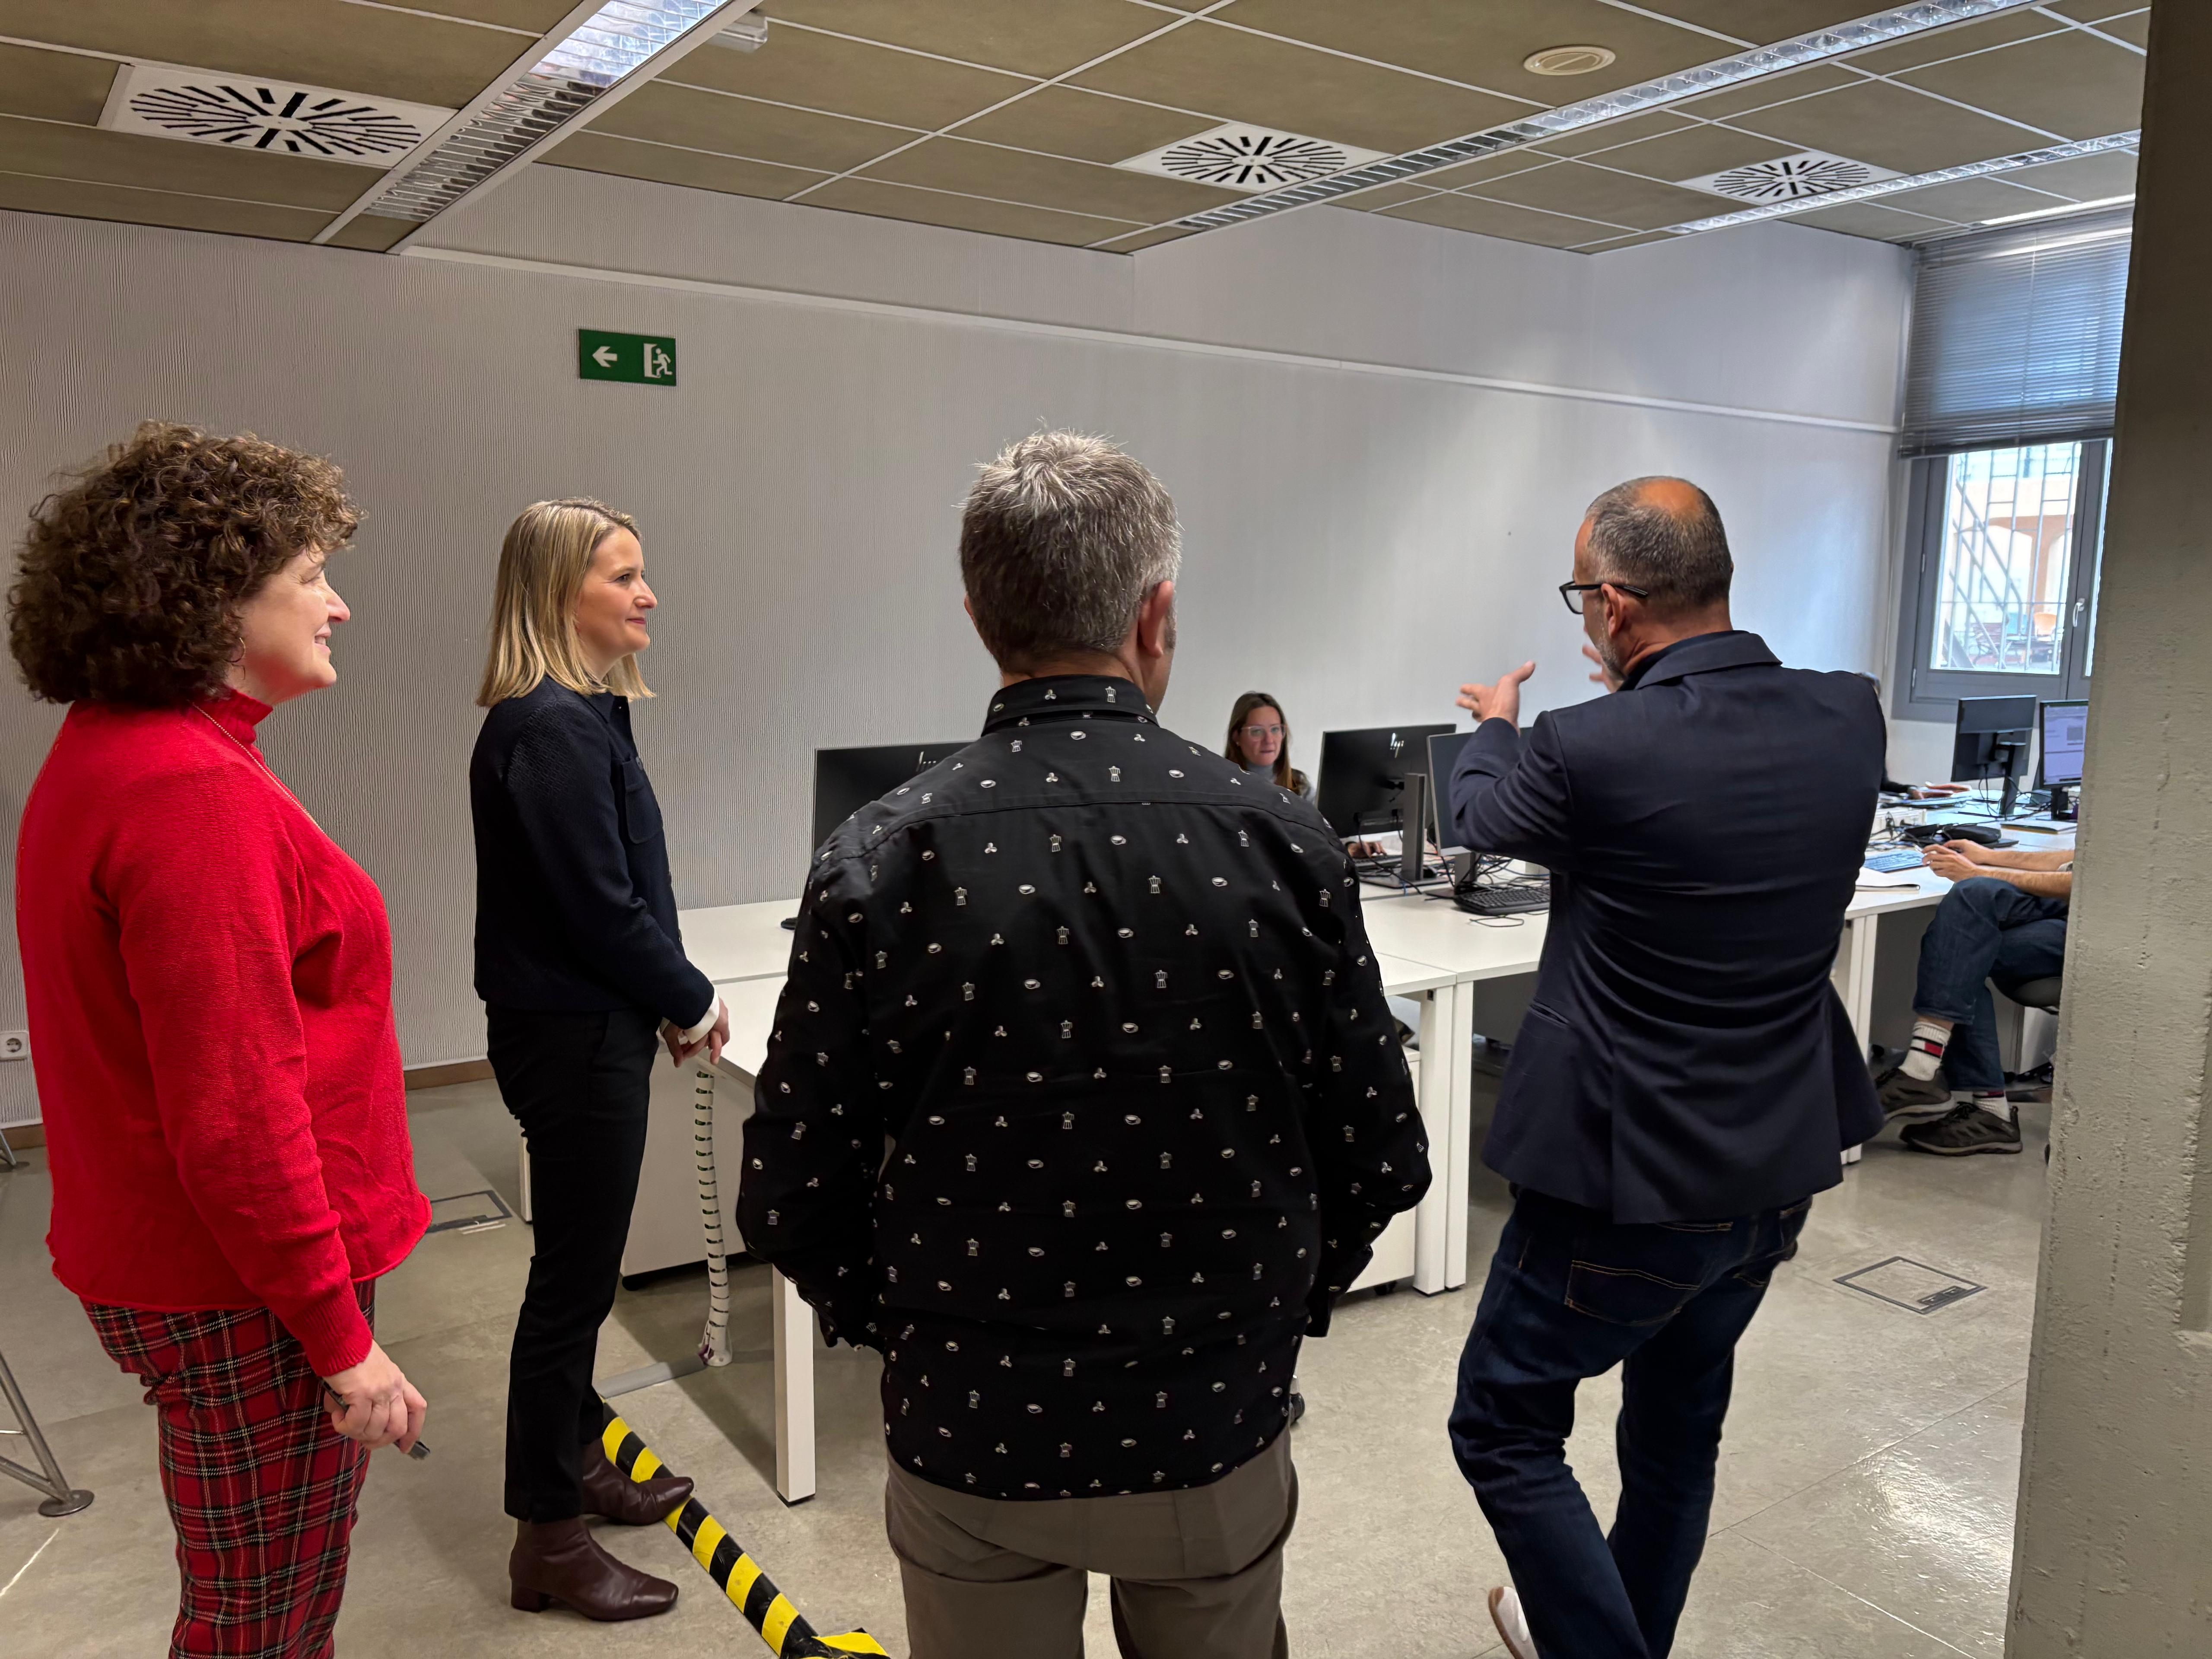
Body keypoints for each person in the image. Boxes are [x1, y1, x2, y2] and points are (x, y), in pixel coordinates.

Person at [739, 432, 1429, 1659]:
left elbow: (792, 1192)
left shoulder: (879, 859)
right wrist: (1275, 1317)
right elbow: (1382, 1152)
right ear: (1157, 616)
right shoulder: (1282, 841)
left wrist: (911, 1333)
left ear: (978, 617)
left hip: (973, 1432)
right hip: (1213, 1421)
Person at [1444, 477, 1885, 1659]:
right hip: (1772, 1169)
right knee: (1677, 1434)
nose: (1583, 614)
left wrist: (1495, 720)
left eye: (1585, 594)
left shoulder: (1589, 745)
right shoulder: (1852, 714)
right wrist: (1636, 704)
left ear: (1619, 606)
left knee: (1502, 1424)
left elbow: (1480, 817)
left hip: (1624, 1180)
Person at [10, 422, 431, 1658]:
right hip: (238, 1283)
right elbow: (236, 1117)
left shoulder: (123, 751)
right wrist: (338, 1340)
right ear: (205, 599)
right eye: (310, 575)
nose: (338, 604)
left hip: (189, 1263)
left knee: (267, 1596)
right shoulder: (191, 793)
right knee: (264, 1618)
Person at [470, 499, 727, 1621]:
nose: (648, 594)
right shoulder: (549, 731)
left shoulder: (589, 716)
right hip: (573, 1037)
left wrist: (662, 996)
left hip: (597, 1023)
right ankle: (548, 1538)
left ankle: (577, 1457)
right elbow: (600, 911)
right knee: (571, 1291)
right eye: (623, 575)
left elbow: (625, 893)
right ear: (557, 593)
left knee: (577, 1274)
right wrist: (691, 996)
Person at [1875, 839, 2073, 1154]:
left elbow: (2083, 881)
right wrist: (1990, 857)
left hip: (2100, 925)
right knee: (1970, 906)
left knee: (1962, 943)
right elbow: (2078, 860)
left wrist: (1981, 871)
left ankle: (1921, 1069)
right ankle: (1990, 1111)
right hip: (2072, 904)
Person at [1223, 691, 1311, 797]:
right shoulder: (1218, 785)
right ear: (1236, 736)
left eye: (1275, 729)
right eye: (1257, 731)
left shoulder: (1301, 785)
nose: (1269, 740)